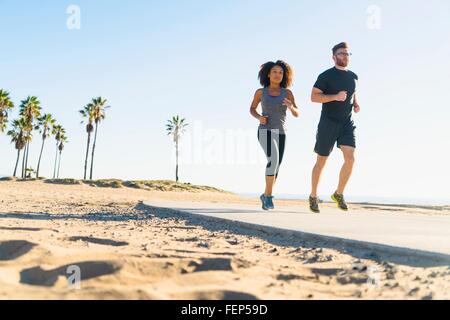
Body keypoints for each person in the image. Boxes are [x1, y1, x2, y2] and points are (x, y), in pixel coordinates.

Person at [309, 42, 361, 213]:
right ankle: (314, 196)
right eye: (341, 53)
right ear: (334, 57)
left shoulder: (354, 76)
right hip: (328, 122)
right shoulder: (326, 76)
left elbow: (353, 92)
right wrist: (335, 97)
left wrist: (356, 103)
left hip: (346, 122)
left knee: (350, 158)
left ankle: (338, 193)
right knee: (321, 161)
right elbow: (314, 97)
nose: (345, 56)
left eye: (347, 54)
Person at [250, 60, 300, 210]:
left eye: (280, 72)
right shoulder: (261, 92)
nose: (277, 75)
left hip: (281, 132)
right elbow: (252, 109)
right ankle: (269, 198)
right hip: (265, 130)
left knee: (276, 166)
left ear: (284, 75)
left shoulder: (288, 93)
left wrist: (291, 107)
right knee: (274, 159)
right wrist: (259, 117)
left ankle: (265, 194)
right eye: (274, 72)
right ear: (268, 74)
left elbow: (297, 113)